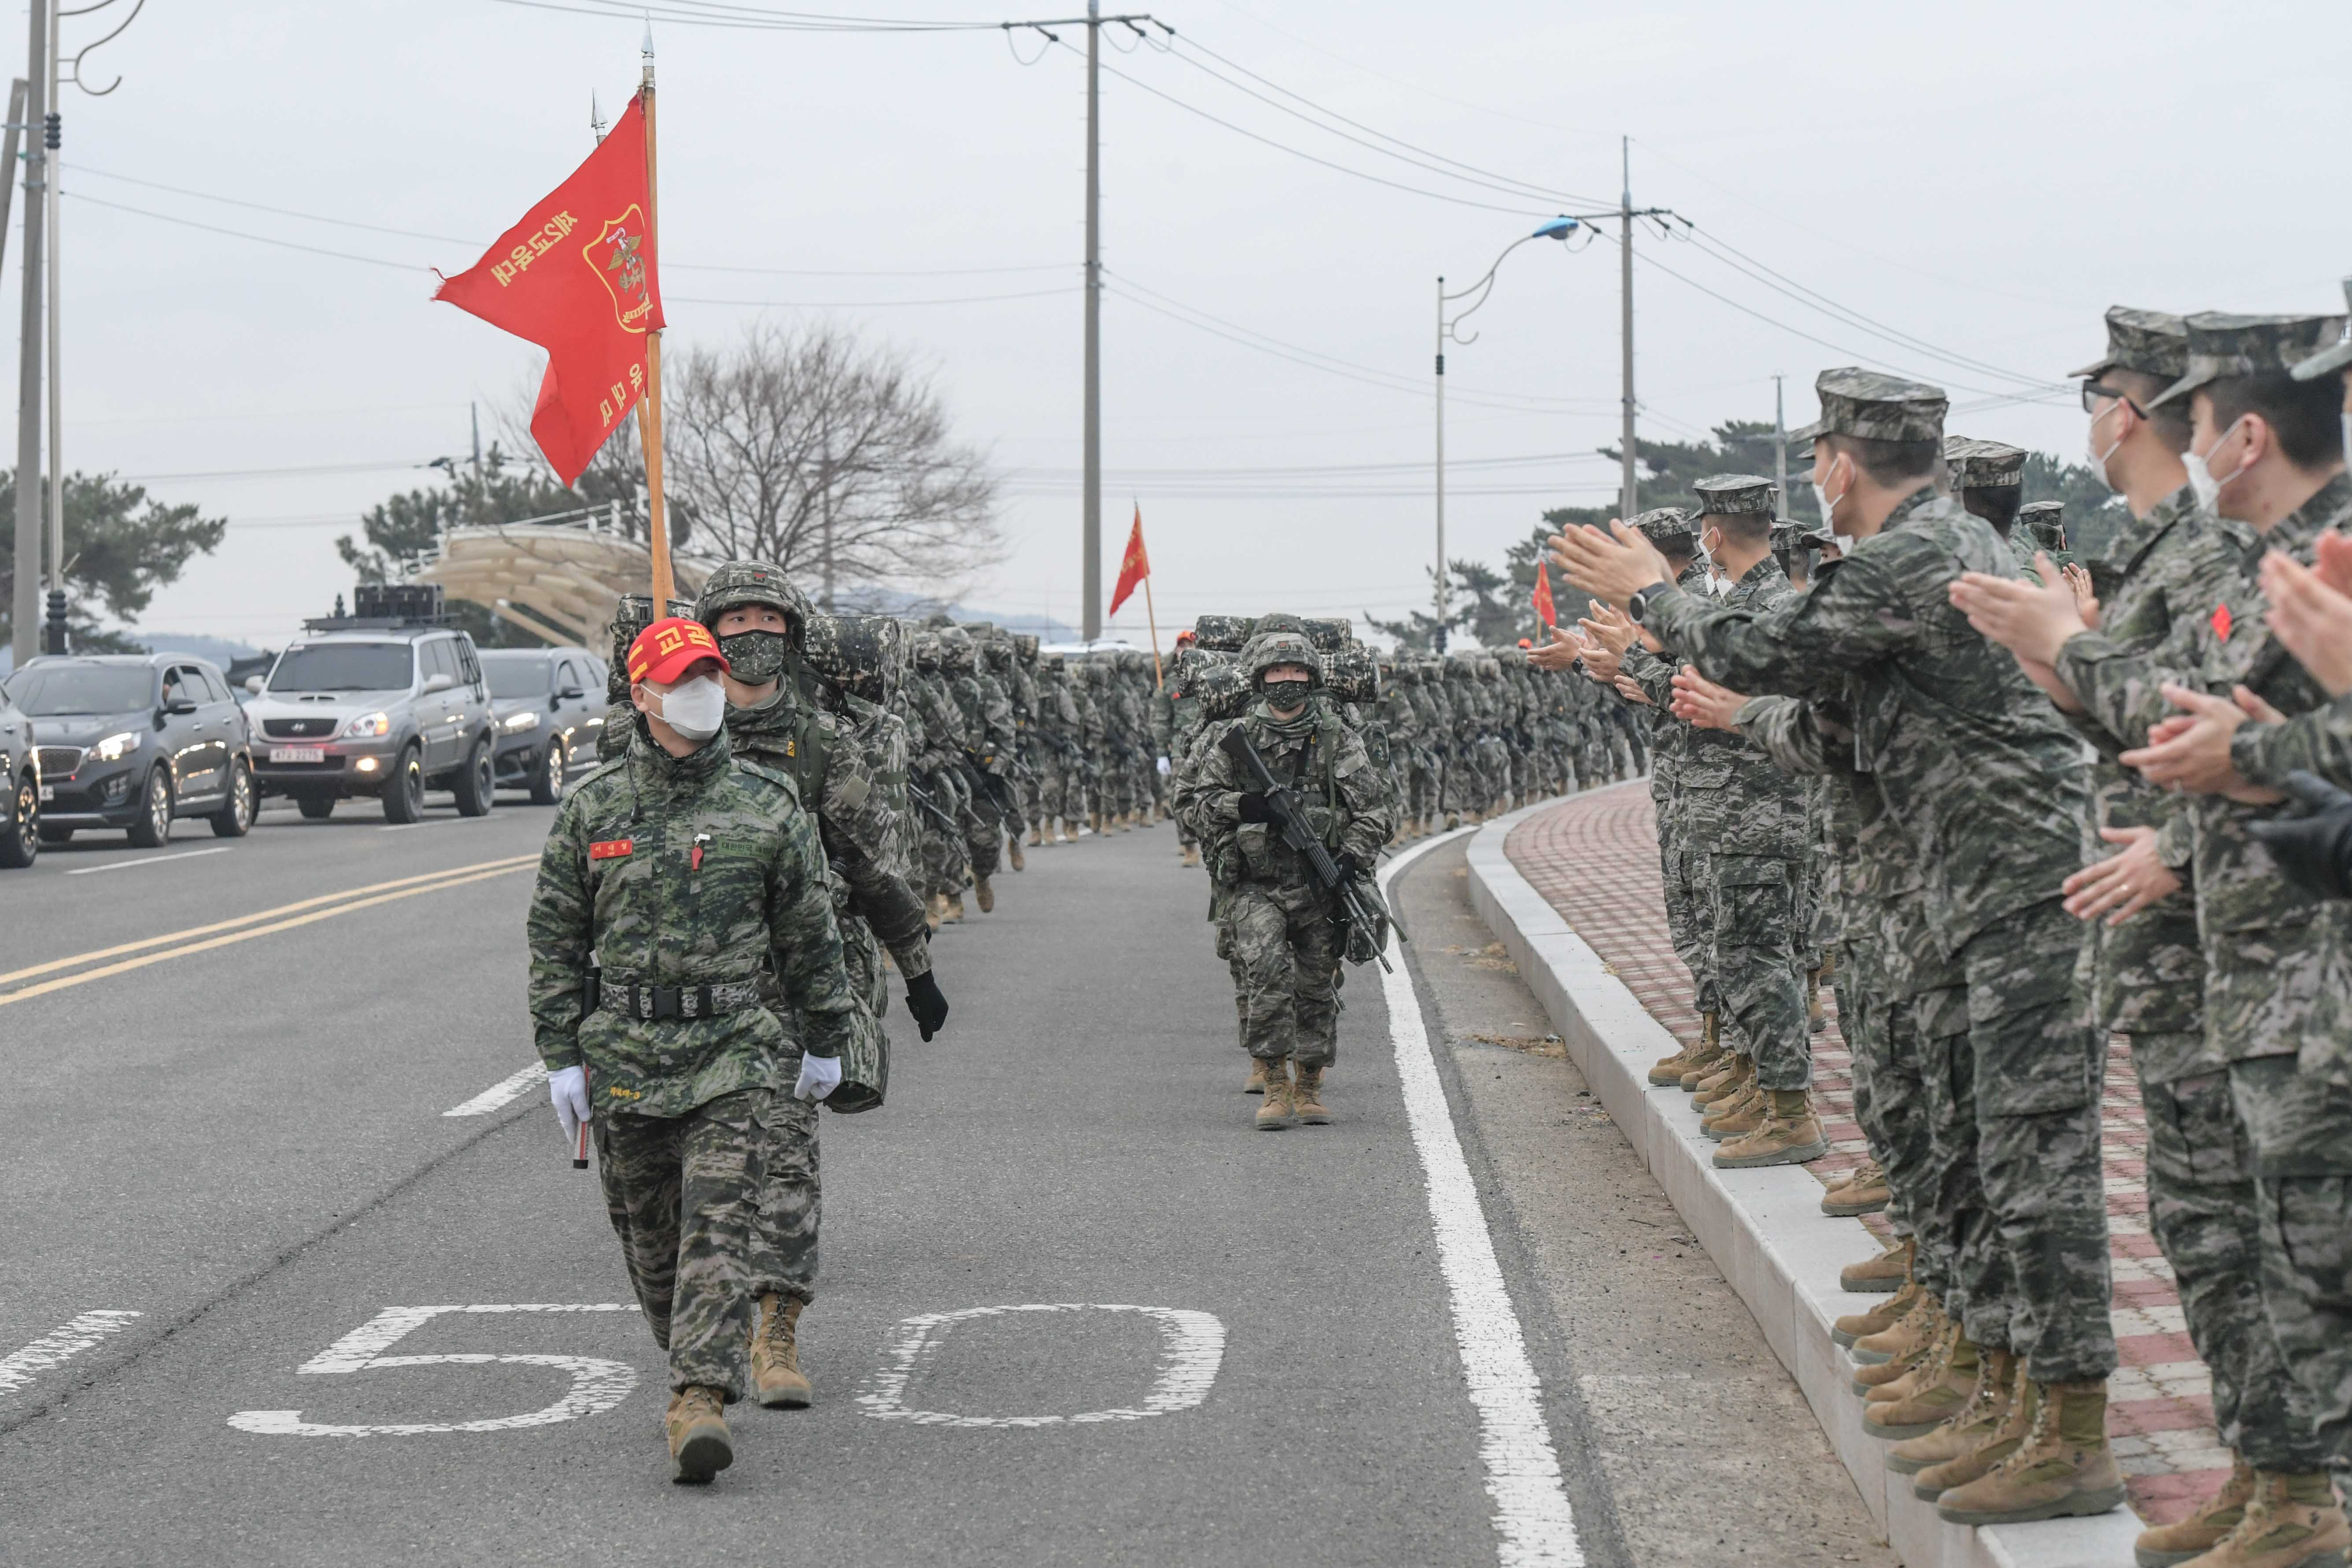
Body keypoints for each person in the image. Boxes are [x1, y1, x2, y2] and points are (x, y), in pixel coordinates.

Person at [1555, 368, 2121, 1527]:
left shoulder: (1922, 554)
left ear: (1837, 463)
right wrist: (1706, 696)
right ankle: (2001, 1392)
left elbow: (1765, 656)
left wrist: (1657, 594)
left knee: (2028, 1167)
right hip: (1957, 893)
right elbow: (1824, 722)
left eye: (1817, 457)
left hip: (2010, 901)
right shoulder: (1924, 551)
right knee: (1977, 1155)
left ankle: (2063, 1434)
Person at [1951, 309, 2352, 1557]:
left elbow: (2237, 734)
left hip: (2277, 960)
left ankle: (2293, 1493)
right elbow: (2186, 742)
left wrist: (2067, 649)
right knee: (2222, 1240)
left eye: (2184, 416)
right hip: (2225, 957)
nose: (2173, 440)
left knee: (2288, 1260)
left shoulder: (2290, 556)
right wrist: (2065, 674)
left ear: (2234, 432)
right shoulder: (2232, 547)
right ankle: (2268, 1476)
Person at [526, 616, 856, 1483]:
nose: (705, 688)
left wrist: (828, 1039)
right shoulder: (593, 808)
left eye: (709, 673)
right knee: (653, 1246)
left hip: (733, 1049)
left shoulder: (766, 804)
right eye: (684, 677)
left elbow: (811, 935)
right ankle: (697, 1356)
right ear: (643, 695)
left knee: (719, 1222)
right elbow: (556, 941)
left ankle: (699, 1400)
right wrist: (560, 1053)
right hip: (628, 1057)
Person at [692, 564, 949, 1411]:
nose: (752, 634)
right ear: (710, 635)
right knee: (688, 1178)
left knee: (785, 1160)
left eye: (769, 618)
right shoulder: (669, 733)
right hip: (687, 991)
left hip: (792, 985)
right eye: (736, 621)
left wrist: (915, 967)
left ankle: (776, 1331)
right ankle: (697, 1332)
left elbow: (867, 862)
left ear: (792, 635)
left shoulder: (821, 742)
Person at [1668, 473, 1823, 1169]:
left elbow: (1737, 707)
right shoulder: (1754, 603)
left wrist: (1628, 662)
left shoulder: (1769, 608)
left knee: (1762, 964)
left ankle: (1790, 1111)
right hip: (1736, 816)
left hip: (1758, 815)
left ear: (1711, 532)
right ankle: (1770, 1095)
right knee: (1749, 960)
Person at [1179, 628, 1393, 1129]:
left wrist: (1350, 858)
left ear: (1312, 677)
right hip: (1256, 883)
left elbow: (1376, 812)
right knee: (1267, 974)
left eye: (1297, 672)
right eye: (1277, 673)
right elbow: (1198, 804)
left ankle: (1310, 1084)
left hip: (1320, 886)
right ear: (1260, 678)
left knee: (1317, 984)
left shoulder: (1336, 738)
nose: (1287, 681)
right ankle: (1274, 1083)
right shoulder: (1235, 740)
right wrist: (1247, 805)